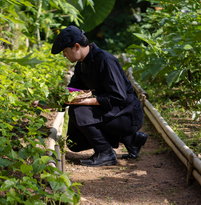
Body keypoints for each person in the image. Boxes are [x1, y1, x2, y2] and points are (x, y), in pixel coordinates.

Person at [51, 25, 148, 167]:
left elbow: (118, 97)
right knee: (75, 142)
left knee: (78, 111)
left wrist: (86, 101)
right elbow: (71, 92)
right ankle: (131, 139)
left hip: (127, 115)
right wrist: (49, 103)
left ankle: (106, 153)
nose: (64, 56)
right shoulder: (81, 65)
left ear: (77, 46)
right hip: (112, 113)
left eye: (65, 51)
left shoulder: (105, 60)